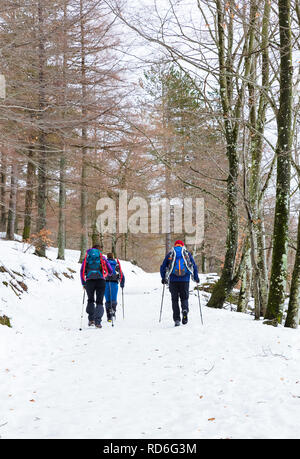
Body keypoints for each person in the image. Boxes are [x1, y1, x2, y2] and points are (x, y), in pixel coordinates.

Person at [160, 240, 200, 327]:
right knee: (184, 298)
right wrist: (196, 278)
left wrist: (163, 278)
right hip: (185, 280)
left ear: (175, 245)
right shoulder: (187, 254)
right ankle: (185, 310)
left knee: (174, 300)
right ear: (182, 245)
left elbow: (163, 266)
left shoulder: (170, 254)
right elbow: (193, 265)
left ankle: (177, 319)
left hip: (173, 280)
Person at [80, 245, 113, 328]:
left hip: (89, 281)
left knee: (90, 300)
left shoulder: (87, 258)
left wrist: (83, 283)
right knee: (99, 301)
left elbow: (82, 271)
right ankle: (98, 322)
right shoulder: (102, 258)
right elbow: (110, 271)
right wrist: (107, 274)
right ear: (99, 251)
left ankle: (91, 320)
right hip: (101, 281)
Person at [104, 253, 125, 322]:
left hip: (106, 283)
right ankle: (113, 311)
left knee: (107, 299)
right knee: (113, 298)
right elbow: (121, 274)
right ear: (113, 257)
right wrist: (122, 284)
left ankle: (108, 316)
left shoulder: (104, 263)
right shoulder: (116, 264)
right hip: (114, 283)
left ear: (107, 257)